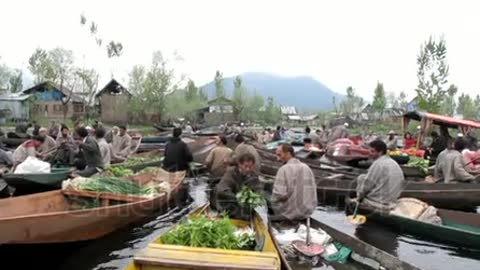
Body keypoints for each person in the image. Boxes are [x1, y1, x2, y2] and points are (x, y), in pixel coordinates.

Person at [353, 140, 405, 211]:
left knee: (361, 178)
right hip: (392, 201)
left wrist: (359, 197)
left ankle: (361, 203)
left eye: (372, 151)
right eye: (370, 151)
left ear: (380, 152)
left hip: (379, 202)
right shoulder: (393, 162)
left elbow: (367, 185)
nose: (370, 154)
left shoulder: (378, 164)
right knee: (364, 178)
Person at [271, 143, 317, 221]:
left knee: (269, 199)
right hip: (307, 211)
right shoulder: (307, 167)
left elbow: (279, 194)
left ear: (288, 154)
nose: (278, 158)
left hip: (289, 213)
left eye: (279, 155)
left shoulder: (283, 169)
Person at [215, 153, 264, 220]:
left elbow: (258, 189)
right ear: (239, 165)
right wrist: (237, 198)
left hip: (245, 211)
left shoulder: (253, 175)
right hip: (228, 208)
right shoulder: (231, 173)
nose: (248, 169)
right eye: (245, 166)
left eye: (250, 167)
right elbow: (222, 189)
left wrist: (257, 196)